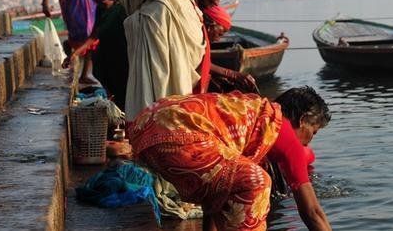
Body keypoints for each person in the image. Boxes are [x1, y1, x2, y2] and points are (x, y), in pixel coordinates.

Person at [127, 86, 333, 231]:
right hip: (178, 133)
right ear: (303, 120)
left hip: (144, 129)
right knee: (259, 182)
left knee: (233, 181)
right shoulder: (284, 133)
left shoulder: (252, 116)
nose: (308, 143)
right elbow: (312, 213)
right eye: (313, 132)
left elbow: (215, 197)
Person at [91, 0, 230, 119]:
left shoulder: (185, 3)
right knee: (156, 102)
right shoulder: (176, 2)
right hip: (119, 63)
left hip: (117, 64)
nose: (216, 4)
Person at [201, 4, 258, 93]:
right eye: (220, 34)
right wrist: (232, 74)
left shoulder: (204, 41)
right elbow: (197, 63)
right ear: (210, 26)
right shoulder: (196, 38)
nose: (218, 39)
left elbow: (205, 64)